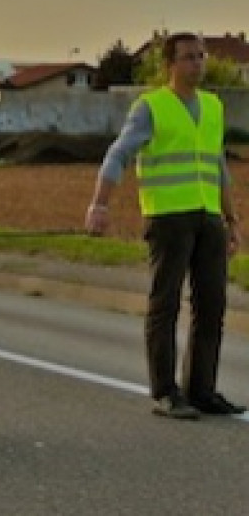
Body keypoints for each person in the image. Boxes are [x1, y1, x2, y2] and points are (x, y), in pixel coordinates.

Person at [86, 32, 246, 419]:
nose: (198, 64)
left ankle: (202, 390)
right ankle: (165, 391)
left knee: (212, 306)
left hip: (207, 218)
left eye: (201, 56)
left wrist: (232, 219)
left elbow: (218, 166)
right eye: (189, 57)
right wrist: (99, 204)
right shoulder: (151, 107)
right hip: (168, 218)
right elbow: (119, 153)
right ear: (169, 65)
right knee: (166, 303)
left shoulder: (212, 106)